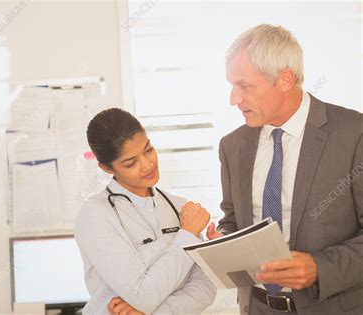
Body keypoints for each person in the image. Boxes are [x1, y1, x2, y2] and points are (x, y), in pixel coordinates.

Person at [205, 24, 363, 314]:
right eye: (231, 85)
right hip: (257, 307)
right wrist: (223, 242)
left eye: (244, 85)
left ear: (286, 79)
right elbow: (232, 219)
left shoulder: (354, 134)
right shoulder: (233, 145)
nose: (233, 99)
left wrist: (320, 268)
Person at [75, 108, 217, 315]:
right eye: (131, 163)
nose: (147, 164)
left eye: (148, 149)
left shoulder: (179, 206)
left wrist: (154, 312)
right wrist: (186, 235)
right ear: (107, 168)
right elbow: (143, 295)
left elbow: (206, 288)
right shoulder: (95, 215)